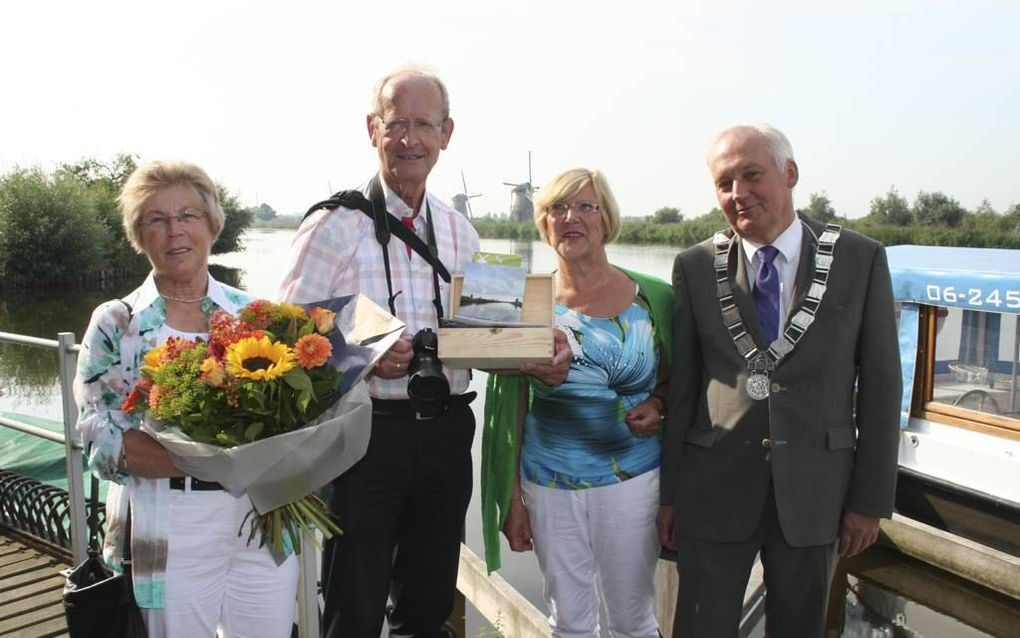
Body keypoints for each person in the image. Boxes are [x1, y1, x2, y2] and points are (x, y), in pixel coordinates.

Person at [277, 66, 569, 638]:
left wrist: (535, 354)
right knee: (353, 601)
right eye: (397, 124)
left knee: (430, 597)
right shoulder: (330, 224)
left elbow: (488, 340)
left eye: (424, 125)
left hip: (446, 431)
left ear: (447, 133)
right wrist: (363, 357)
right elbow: (286, 338)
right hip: (363, 437)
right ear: (373, 130)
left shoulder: (461, 232)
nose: (410, 139)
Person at [657, 124, 901, 637]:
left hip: (818, 492)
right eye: (725, 183)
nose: (738, 193)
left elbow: (881, 390)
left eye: (752, 175)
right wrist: (670, 494)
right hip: (713, 489)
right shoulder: (695, 266)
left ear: (789, 174)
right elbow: (684, 390)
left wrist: (869, 501)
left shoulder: (861, 259)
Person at [74, 160, 299, 637]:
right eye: (157, 219)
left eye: (188, 215)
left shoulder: (252, 315)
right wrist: (214, 458)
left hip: (259, 521)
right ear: (140, 235)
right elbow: (102, 443)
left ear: (212, 224)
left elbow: (288, 423)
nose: (175, 231)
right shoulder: (118, 324)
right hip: (170, 525)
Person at [488, 168, 673, 638]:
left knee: (633, 620)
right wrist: (513, 501)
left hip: (634, 483)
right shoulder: (522, 301)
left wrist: (659, 403)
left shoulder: (656, 298)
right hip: (548, 484)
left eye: (586, 206)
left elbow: (684, 383)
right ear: (544, 223)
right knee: (569, 623)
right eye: (557, 208)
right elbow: (509, 410)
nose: (571, 218)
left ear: (606, 218)